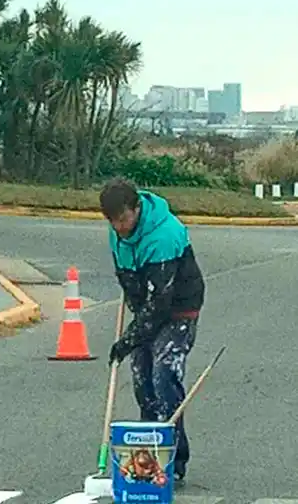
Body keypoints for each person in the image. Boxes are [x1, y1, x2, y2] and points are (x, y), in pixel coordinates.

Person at [98, 177, 205, 483]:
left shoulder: (164, 234)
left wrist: (127, 339)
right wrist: (134, 311)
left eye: (123, 219)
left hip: (178, 306)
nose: (119, 227)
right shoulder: (116, 232)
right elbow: (127, 277)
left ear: (137, 208)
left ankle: (175, 459)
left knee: (163, 374)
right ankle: (150, 453)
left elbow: (161, 303)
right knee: (142, 380)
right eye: (112, 221)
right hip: (147, 307)